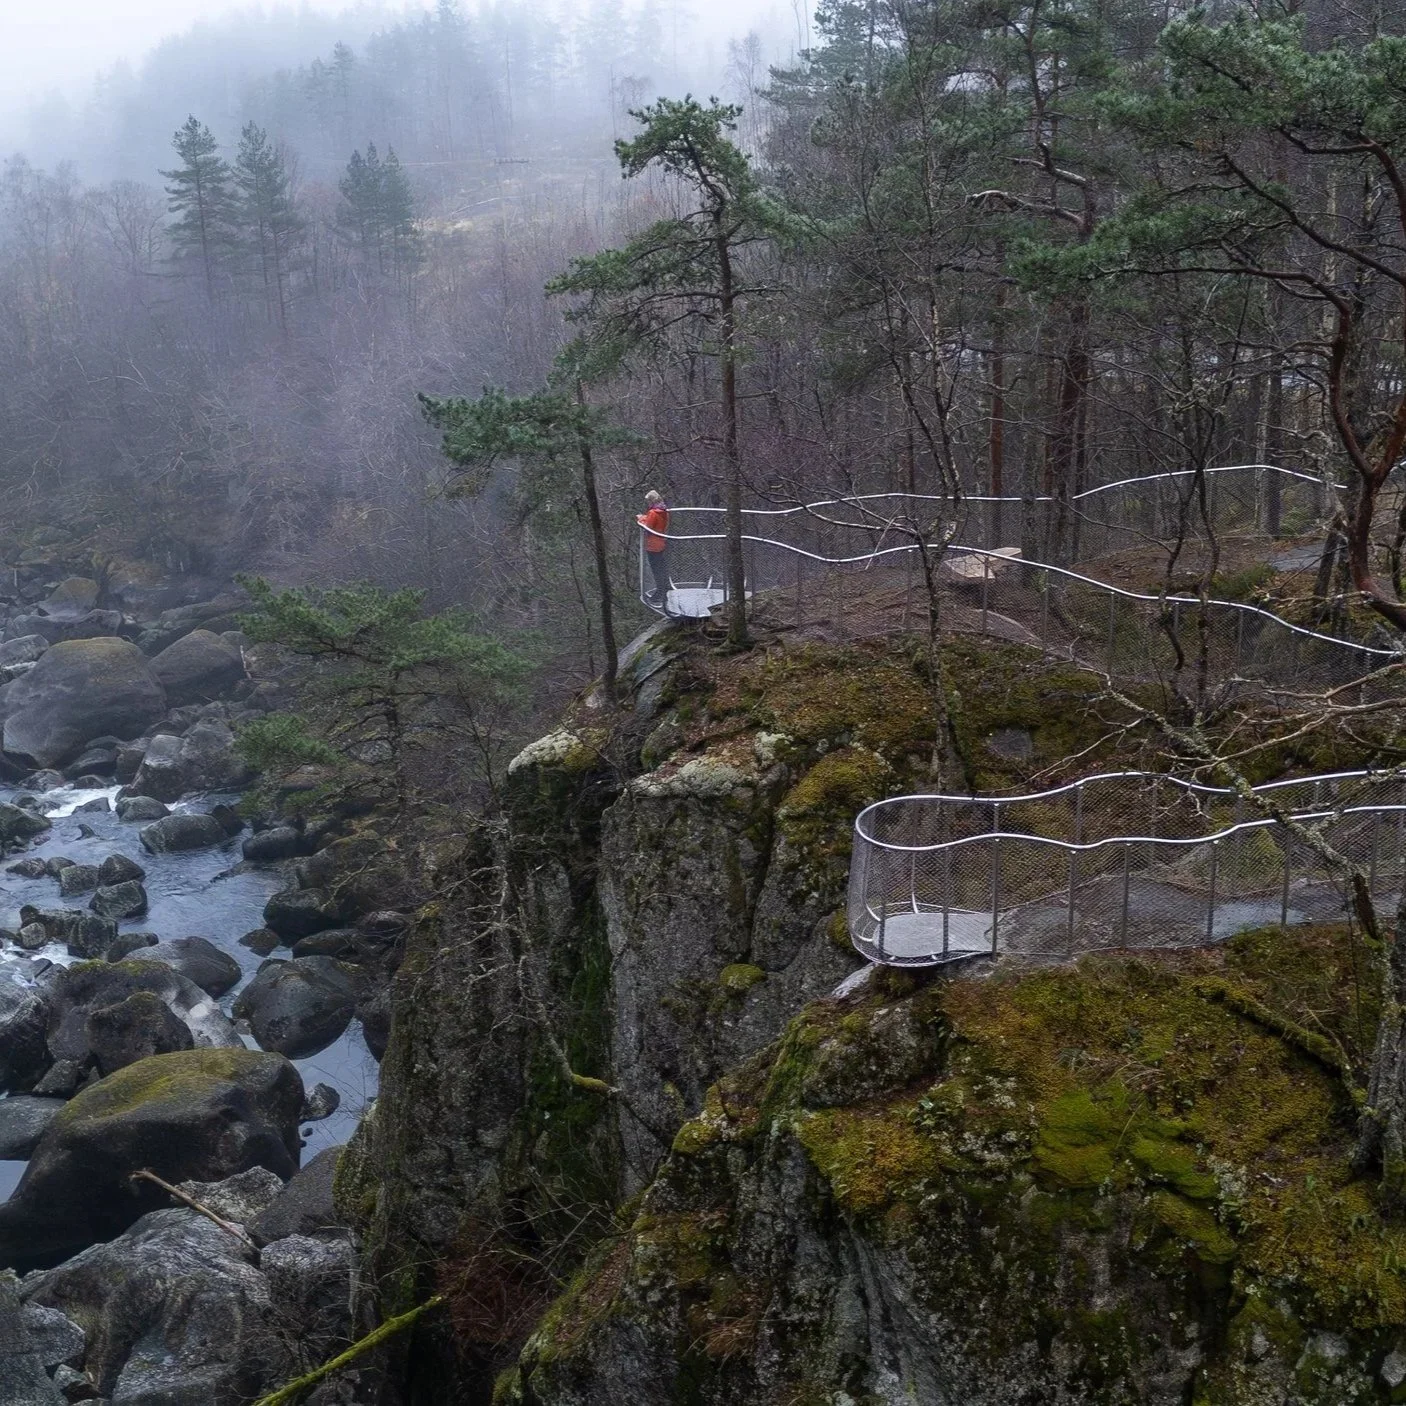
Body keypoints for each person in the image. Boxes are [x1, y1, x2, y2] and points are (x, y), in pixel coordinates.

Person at [637, 489, 670, 606]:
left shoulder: (653, 513)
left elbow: (648, 527)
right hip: (661, 542)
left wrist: (641, 519)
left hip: (652, 545)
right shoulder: (664, 511)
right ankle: (665, 588)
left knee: (656, 570)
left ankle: (660, 592)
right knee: (661, 567)